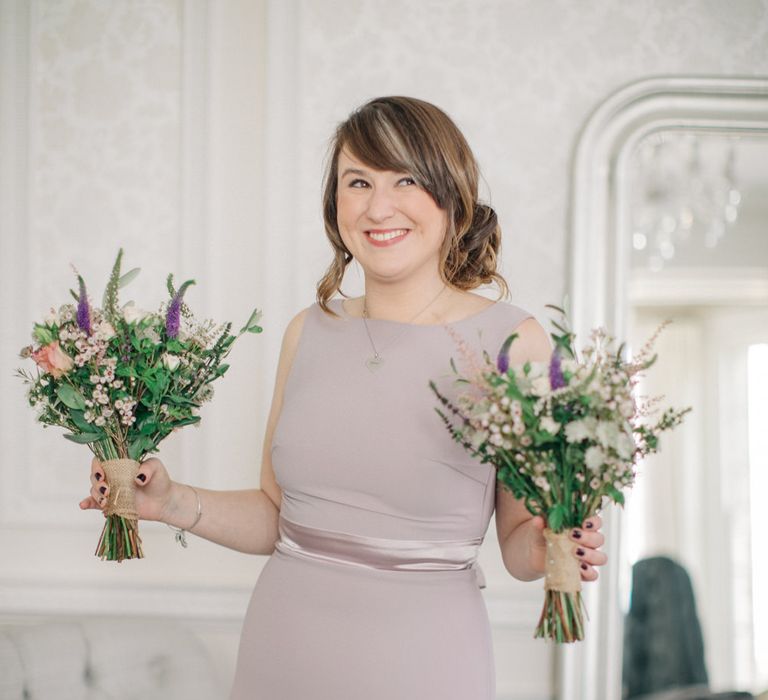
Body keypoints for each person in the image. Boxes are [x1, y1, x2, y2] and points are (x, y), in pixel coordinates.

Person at [80, 96, 607, 699]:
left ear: (451, 194)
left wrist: (551, 543)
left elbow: (518, 548)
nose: (379, 206)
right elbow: (278, 517)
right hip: (283, 646)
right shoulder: (308, 330)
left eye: (406, 179)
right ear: (336, 204)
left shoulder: (514, 340)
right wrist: (169, 502)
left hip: (424, 659)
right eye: (358, 182)